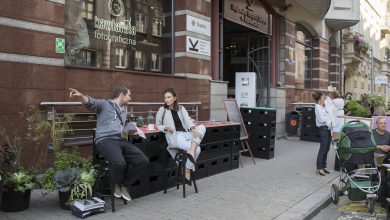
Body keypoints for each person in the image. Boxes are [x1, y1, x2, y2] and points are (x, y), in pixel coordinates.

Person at [69, 87, 149, 201]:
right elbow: (91, 102)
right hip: (105, 139)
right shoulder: (104, 105)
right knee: (120, 162)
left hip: (120, 140)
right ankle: (116, 183)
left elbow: (121, 130)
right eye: (129, 95)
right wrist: (81, 95)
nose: (130, 98)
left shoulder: (124, 110)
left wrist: (130, 131)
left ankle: (124, 184)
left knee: (143, 161)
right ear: (122, 95)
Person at [155, 88, 206, 184]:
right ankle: (187, 170)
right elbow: (157, 125)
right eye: (165, 97)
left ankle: (188, 159)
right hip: (175, 137)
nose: (166, 99)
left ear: (175, 98)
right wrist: (165, 128)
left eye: (169, 97)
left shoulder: (181, 108)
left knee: (202, 127)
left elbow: (188, 120)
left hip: (185, 134)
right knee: (197, 149)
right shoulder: (162, 109)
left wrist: (193, 129)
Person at [313, 91, 331, 176]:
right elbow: (322, 120)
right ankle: (319, 168)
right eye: (323, 97)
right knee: (323, 149)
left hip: (328, 128)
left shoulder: (323, 107)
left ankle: (324, 166)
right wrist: (329, 116)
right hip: (323, 128)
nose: (325, 98)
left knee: (327, 148)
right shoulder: (318, 107)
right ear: (320, 98)